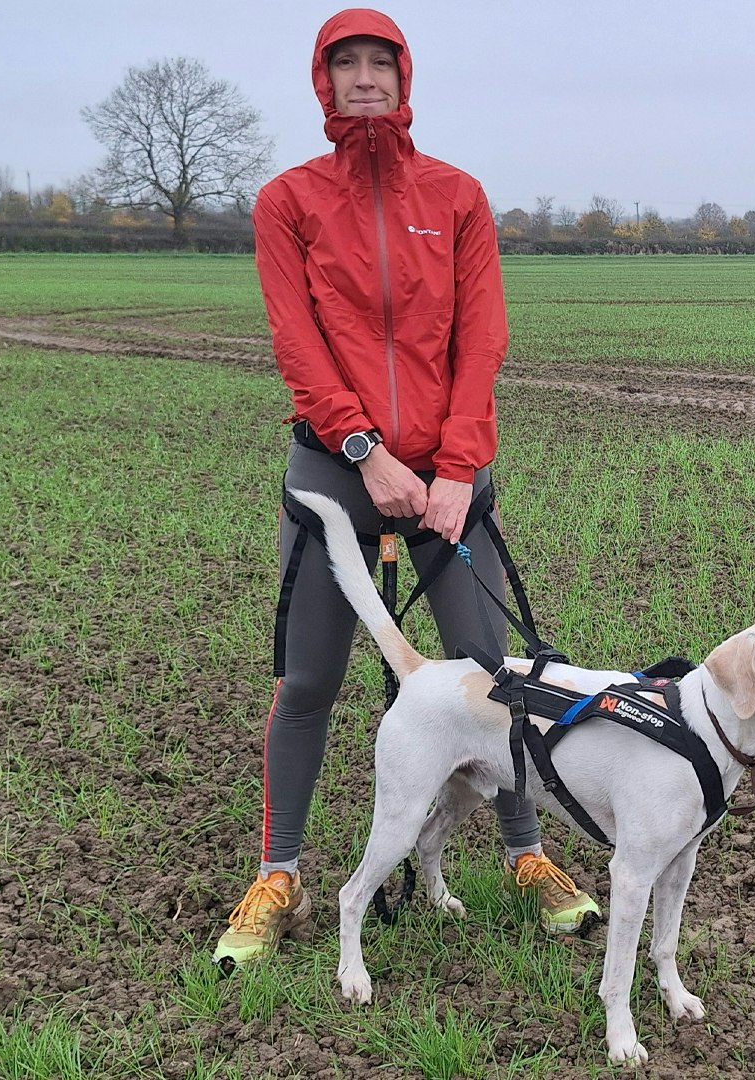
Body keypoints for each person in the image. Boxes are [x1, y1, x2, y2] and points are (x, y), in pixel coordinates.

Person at [215, 7, 599, 967]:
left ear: (404, 74)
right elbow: (297, 343)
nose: (363, 78)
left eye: (378, 62)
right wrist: (363, 453)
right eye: (343, 64)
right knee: (309, 681)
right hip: (336, 475)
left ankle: (524, 853)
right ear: (322, 82)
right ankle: (280, 872)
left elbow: (483, 338)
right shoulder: (287, 201)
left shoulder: (458, 195)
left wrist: (457, 468)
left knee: (490, 674)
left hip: (448, 485)